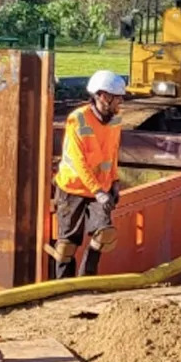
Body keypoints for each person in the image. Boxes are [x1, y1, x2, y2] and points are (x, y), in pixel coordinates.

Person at [47, 70, 125, 278]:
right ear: (102, 96)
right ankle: (62, 286)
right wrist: (98, 191)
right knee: (66, 246)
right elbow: (77, 161)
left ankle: (86, 279)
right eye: (116, 98)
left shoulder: (116, 120)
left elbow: (112, 152)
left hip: (100, 188)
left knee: (105, 234)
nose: (119, 103)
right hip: (72, 188)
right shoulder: (78, 119)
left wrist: (114, 181)